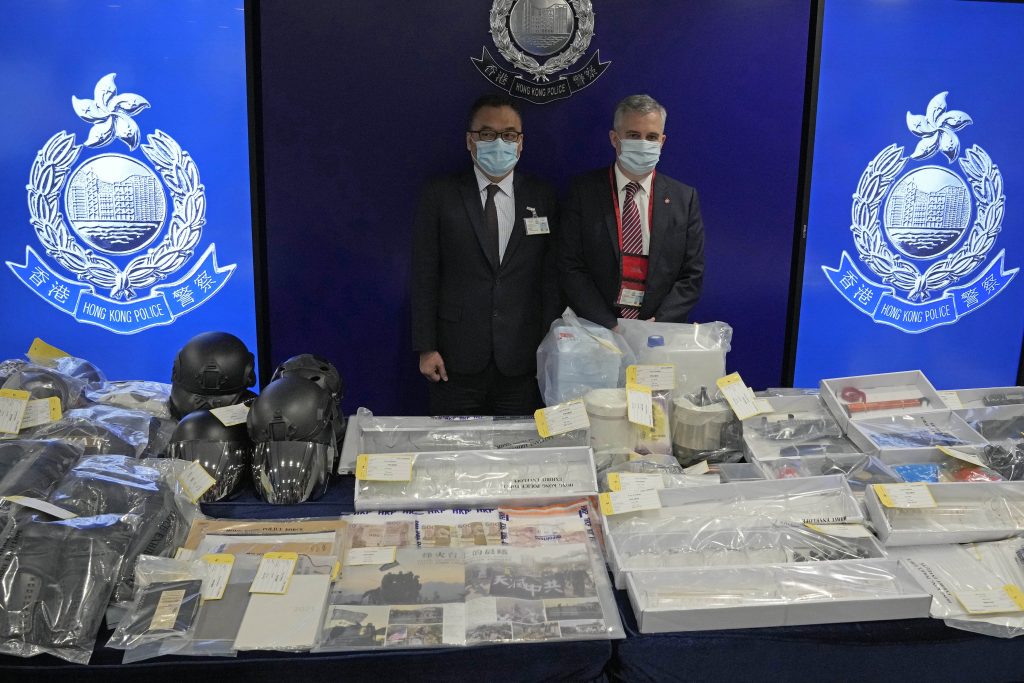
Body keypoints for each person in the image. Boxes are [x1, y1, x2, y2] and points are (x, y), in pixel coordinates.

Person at [411, 94, 559, 415]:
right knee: (454, 457)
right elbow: (425, 274)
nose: (499, 142)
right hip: (453, 360)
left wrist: (550, 350)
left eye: (509, 135)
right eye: (487, 134)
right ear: (470, 140)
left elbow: (550, 278)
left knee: (517, 456)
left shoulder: (542, 196)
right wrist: (426, 347)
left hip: (522, 360)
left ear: (520, 143)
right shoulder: (440, 195)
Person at [559, 94, 705, 328]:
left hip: (660, 331)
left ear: (663, 141)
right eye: (634, 136)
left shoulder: (684, 199)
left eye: (652, 137)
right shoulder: (583, 192)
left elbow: (692, 275)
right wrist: (609, 325)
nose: (644, 144)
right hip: (598, 332)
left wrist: (657, 324)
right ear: (614, 139)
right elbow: (570, 267)